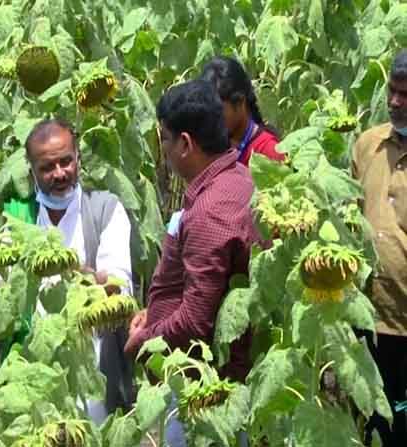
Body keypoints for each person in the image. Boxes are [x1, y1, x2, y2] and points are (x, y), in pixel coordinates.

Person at [124, 80, 259, 446]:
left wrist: (146, 340)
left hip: (206, 393)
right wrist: (154, 312)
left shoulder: (210, 213)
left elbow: (197, 318)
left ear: (185, 143)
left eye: (165, 140)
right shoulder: (237, 178)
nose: (163, 150)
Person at [18, 119, 135, 424]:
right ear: (32, 172)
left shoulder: (106, 210)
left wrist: (66, 266)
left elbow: (117, 288)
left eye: (65, 161)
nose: (59, 173)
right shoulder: (18, 220)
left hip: (95, 367)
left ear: (78, 159)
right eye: (47, 167)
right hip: (36, 370)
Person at [351, 49, 407, 447]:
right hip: (368, 315)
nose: (395, 101)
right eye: (392, 90)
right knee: (371, 419)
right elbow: (349, 219)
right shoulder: (367, 145)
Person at [200, 56, 284, 166]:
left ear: (240, 102)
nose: (212, 120)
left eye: (218, 112)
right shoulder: (216, 147)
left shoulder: (269, 152)